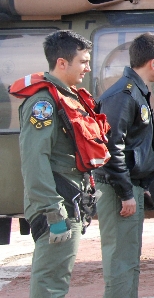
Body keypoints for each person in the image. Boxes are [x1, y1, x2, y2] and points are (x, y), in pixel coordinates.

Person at [13, 30, 95, 298]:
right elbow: (34, 159)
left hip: (67, 198)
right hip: (57, 204)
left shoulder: (65, 96)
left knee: (56, 277)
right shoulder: (44, 103)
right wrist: (52, 211)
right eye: (82, 61)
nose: (88, 67)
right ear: (62, 62)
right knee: (51, 282)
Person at [94, 32, 154, 298]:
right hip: (117, 189)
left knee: (129, 259)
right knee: (121, 260)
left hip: (129, 185)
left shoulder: (135, 91)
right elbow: (112, 148)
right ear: (152, 63)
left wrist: (140, 185)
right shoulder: (124, 95)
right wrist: (126, 192)